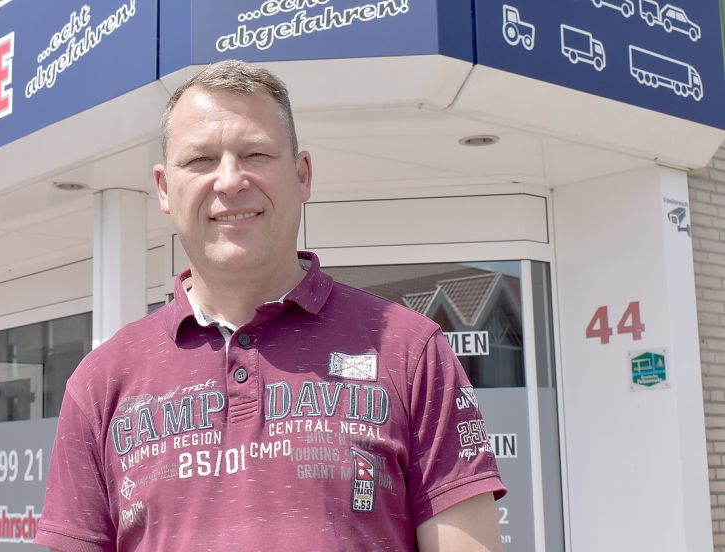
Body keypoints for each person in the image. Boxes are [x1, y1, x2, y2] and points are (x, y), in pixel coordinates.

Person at [35, 60, 506, 551]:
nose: (230, 181)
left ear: (302, 175)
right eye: (200, 160)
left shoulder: (411, 352)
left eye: (255, 153)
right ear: (163, 189)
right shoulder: (100, 382)